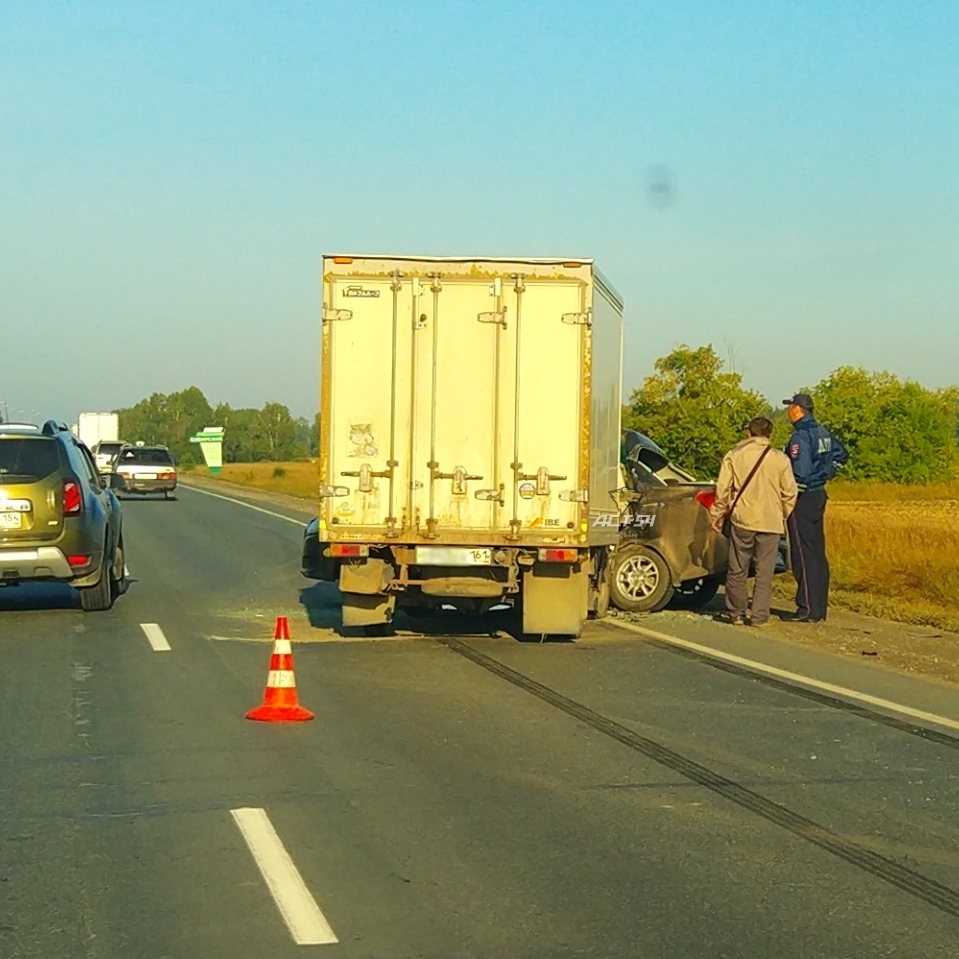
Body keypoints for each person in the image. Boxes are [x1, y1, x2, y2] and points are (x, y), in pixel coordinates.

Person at [710, 417, 798, 627]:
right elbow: (790, 492)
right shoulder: (780, 458)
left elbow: (722, 490)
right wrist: (782, 514)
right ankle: (759, 616)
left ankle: (737, 614)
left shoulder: (734, 455)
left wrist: (717, 514)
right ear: (770, 435)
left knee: (737, 567)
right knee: (764, 572)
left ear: (749, 433)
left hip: (743, 518)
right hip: (770, 521)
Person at [781, 392, 849, 622]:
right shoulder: (823, 432)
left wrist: (789, 499)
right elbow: (842, 455)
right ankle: (819, 608)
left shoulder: (801, 436)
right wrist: (827, 473)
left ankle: (807, 608)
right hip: (819, 493)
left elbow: (799, 473)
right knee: (817, 552)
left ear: (798, 409)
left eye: (790, 407)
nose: (788, 411)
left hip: (805, 497)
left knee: (803, 554)